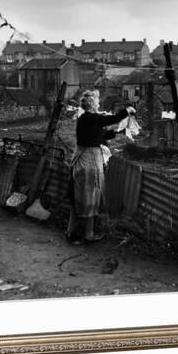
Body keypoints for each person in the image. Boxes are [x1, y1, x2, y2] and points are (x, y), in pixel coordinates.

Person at [66, 90, 136, 244]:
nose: (99, 104)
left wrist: (119, 131)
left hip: (80, 161)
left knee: (76, 198)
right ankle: (88, 235)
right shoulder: (93, 117)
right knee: (92, 197)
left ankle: (70, 232)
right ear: (92, 104)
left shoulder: (85, 119)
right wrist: (128, 110)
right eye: (97, 101)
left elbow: (99, 135)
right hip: (89, 163)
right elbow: (114, 118)